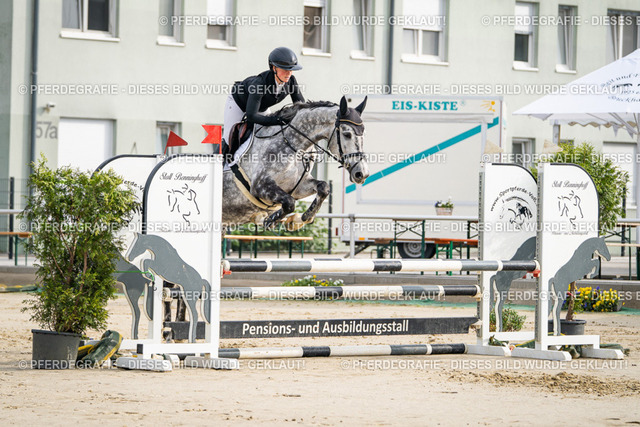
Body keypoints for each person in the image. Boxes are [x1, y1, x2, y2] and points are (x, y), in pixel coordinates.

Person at [222, 47, 305, 154]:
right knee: (229, 138)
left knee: (270, 133)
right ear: (274, 68)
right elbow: (251, 116)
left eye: (291, 69)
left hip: (261, 107)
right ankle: (222, 161)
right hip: (238, 103)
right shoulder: (260, 84)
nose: (289, 73)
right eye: (285, 69)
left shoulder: (291, 82)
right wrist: (277, 120)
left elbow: (301, 106)